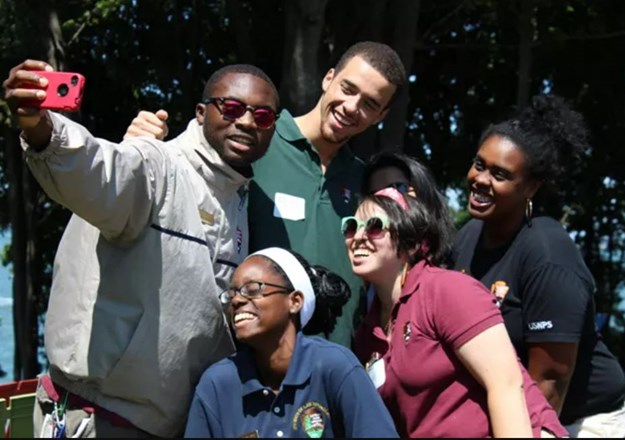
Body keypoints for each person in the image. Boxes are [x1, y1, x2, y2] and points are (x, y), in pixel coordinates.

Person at [3, 59, 280, 437]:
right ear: (201, 113)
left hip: (169, 425)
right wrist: (40, 126)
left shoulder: (238, 202)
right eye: (231, 108)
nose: (247, 122)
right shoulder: (157, 166)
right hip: (96, 418)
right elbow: (96, 169)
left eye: (262, 116)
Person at [126, 41, 407, 348]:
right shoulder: (256, 141)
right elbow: (187, 170)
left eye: (369, 103)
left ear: (381, 115)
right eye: (348, 88)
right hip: (243, 358)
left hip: (332, 366)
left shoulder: (364, 182)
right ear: (329, 78)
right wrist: (145, 145)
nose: (352, 107)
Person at [452, 94, 625, 437]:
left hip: (579, 420)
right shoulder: (468, 237)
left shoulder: (548, 257)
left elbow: (549, 384)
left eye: (500, 174)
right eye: (479, 164)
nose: (481, 179)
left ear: (531, 187)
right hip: (507, 406)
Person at [348, 188, 568, 437]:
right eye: (351, 227)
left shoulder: (447, 290)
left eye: (375, 226)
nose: (358, 236)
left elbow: (505, 385)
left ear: (409, 241)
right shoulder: (368, 334)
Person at [184, 247, 399, 438]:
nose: (237, 301)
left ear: (295, 301)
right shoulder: (216, 384)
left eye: (252, 289)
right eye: (231, 295)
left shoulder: (335, 367)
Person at [360, 150, 455, 310]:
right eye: (374, 195)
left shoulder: (451, 285)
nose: (385, 202)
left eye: (398, 188)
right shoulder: (371, 284)